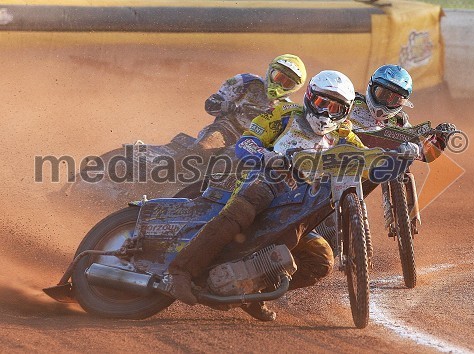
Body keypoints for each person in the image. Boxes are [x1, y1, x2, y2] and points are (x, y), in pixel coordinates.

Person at [168, 70, 365, 321]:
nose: (326, 112)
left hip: (304, 202)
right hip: (267, 179)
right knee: (243, 210)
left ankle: (251, 293)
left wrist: (400, 156)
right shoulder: (284, 114)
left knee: (322, 259)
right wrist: (267, 156)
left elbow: (367, 157)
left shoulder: (344, 134)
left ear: (345, 112)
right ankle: (180, 271)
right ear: (309, 97)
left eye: (335, 108)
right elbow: (246, 142)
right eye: (321, 103)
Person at [346, 64, 456, 238]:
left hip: (378, 165)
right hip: (345, 163)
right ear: (371, 87)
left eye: (395, 100)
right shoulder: (351, 104)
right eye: (383, 94)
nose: (385, 103)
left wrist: (437, 141)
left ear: (403, 102)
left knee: (406, 152)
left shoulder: (399, 120)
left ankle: (407, 216)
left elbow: (421, 149)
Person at [194, 54, 307, 150]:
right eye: (278, 77)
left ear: (294, 88)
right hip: (227, 129)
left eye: (287, 84)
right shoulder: (246, 82)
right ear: (270, 71)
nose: (279, 85)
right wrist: (229, 106)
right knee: (204, 147)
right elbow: (210, 104)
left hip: (256, 144)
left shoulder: (288, 109)